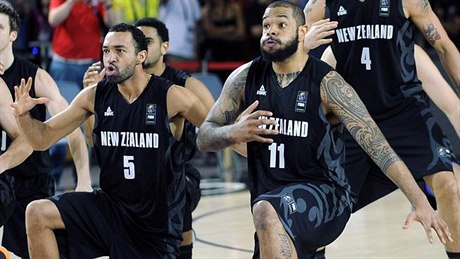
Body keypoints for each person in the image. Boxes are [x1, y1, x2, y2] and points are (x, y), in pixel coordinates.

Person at [196, 2, 451, 258]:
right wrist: (233, 133)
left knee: (265, 210)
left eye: (282, 25)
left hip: (324, 196)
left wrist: (419, 201)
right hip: (278, 200)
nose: (271, 31)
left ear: (303, 33)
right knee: (268, 218)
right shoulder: (245, 78)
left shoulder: (328, 83)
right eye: (266, 26)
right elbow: (204, 136)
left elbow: (378, 145)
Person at [12, 23, 208, 258]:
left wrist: (239, 133)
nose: (110, 58)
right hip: (110, 209)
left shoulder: (171, 95)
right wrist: (23, 117)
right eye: (105, 51)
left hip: (154, 225)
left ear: (140, 56)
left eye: (119, 50)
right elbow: (42, 139)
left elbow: (214, 131)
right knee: (38, 212)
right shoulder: (94, 95)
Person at [304, 0, 460, 257]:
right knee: (322, 213)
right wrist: (304, 43)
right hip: (356, 120)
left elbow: (443, 46)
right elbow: (287, 56)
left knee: (448, 184)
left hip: (406, 114)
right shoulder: (320, 5)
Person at [82, 17, 215, 259]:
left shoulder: (184, 86)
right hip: (129, 174)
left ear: (162, 47)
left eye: (149, 40)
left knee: (174, 186)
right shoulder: (113, 86)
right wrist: (91, 101)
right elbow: (92, 139)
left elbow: (215, 127)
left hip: (174, 170)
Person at [0, 2, 91, 258]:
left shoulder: (36, 78)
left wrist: (83, 179)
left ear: (13, 35)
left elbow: (71, 128)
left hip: (31, 184)